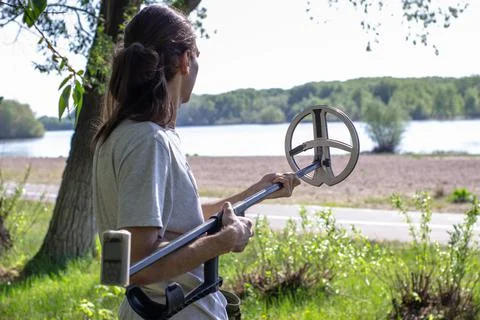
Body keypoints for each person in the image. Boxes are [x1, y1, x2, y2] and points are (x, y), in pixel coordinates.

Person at [92, 5, 301, 320]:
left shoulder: (120, 136)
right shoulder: (149, 141)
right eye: (197, 54)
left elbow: (174, 224)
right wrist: (224, 241)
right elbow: (137, 264)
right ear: (185, 60)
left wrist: (255, 192)